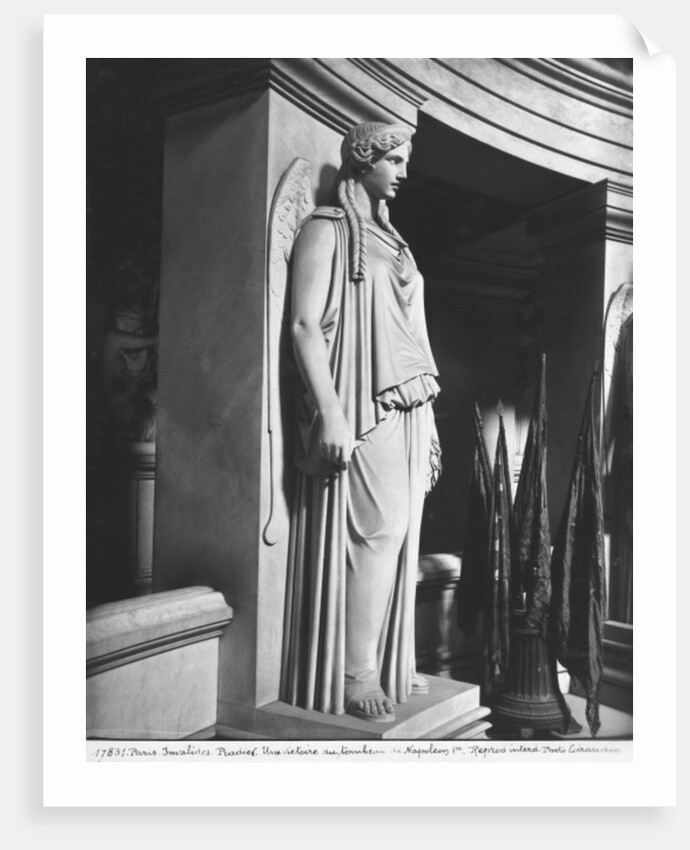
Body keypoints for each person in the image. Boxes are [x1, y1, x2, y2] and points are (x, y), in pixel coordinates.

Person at [281, 121, 441, 723]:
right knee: (376, 531)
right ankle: (356, 673)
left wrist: (431, 424)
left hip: (409, 403)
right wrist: (329, 409)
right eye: (394, 160)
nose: (402, 171)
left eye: (404, 161)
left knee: (401, 536)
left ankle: (389, 659)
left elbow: (416, 338)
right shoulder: (328, 230)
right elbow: (302, 325)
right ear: (363, 159)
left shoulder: (396, 244)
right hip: (361, 402)